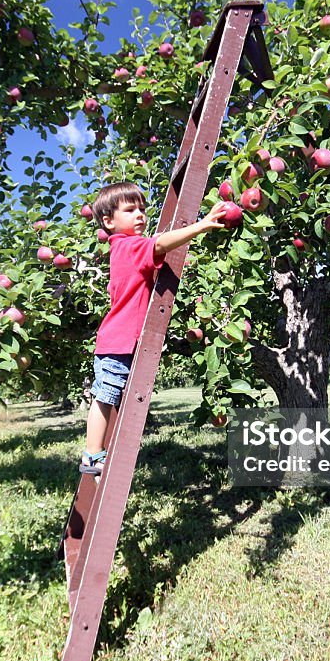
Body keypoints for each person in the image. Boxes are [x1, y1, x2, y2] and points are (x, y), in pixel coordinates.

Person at [80, 182, 229, 479]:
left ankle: (97, 451)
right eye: (130, 210)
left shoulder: (128, 248)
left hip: (122, 340)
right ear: (108, 222)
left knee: (111, 395)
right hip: (118, 341)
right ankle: (92, 453)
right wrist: (200, 226)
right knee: (105, 394)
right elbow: (159, 244)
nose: (140, 215)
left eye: (143, 210)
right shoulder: (126, 246)